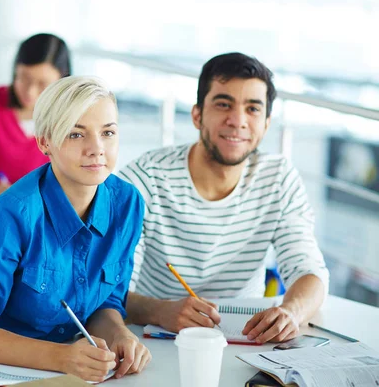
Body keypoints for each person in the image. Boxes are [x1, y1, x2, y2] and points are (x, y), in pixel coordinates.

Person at [0, 76, 151, 382]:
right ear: (45, 142)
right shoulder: (9, 216)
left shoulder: (127, 204)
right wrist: (62, 357)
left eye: (108, 132)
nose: (97, 149)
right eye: (75, 134)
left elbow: (105, 301)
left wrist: (119, 335)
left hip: (50, 373)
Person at [119, 52, 329, 344]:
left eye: (253, 109)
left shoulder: (279, 179)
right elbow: (110, 289)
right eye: (223, 104)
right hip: (157, 339)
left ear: (267, 123)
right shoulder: (146, 179)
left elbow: (310, 272)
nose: (237, 121)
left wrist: (291, 312)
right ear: (197, 114)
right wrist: (159, 310)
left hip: (248, 340)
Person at [0, 33, 71, 201]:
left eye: (42, 84)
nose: (30, 91)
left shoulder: (71, 117)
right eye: (24, 78)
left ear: (61, 81)